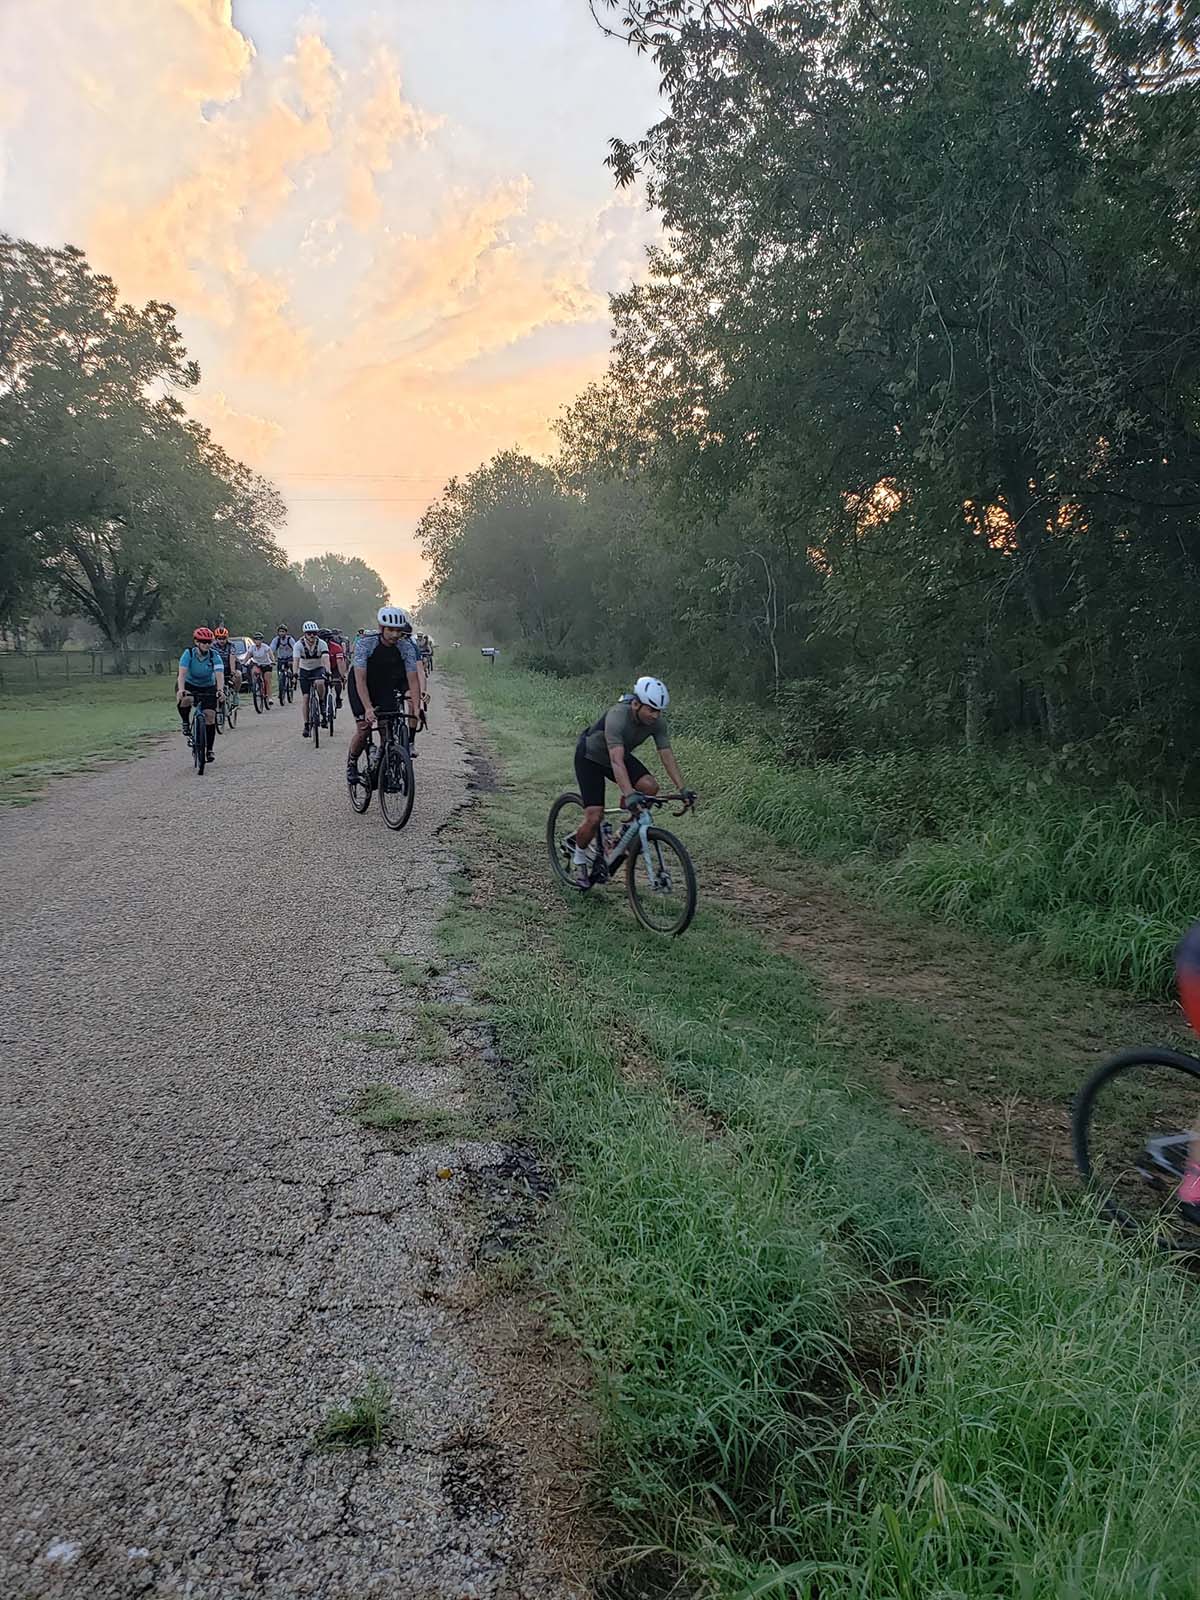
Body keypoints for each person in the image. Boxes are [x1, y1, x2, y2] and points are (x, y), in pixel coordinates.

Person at [570, 676, 691, 889]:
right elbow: (616, 761)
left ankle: (621, 834)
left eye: (659, 711)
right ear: (636, 704)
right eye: (651, 710)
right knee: (594, 816)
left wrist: (683, 789)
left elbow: (667, 755)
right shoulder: (618, 716)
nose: (655, 715)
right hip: (590, 757)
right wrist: (629, 794)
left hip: (617, 756)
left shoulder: (657, 722)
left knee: (650, 787)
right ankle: (579, 858)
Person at [346, 605, 424, 789]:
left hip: (384, 686)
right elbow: (360, 679)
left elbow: (413, 681)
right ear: (382, 628)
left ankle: (383, 766)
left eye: (399, 630)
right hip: (361, 685)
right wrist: (367, 708)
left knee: (386, 729)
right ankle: (352, 763)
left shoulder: (406, 647)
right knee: (364, 728)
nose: (395, 635)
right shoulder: (366, 643)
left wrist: (417, 708)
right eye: (391, 630)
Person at [176, 626, 225, 766]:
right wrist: (181, 689)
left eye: (209, 642)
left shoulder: (214, 655)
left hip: (208, 685)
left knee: (210, 716)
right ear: (197, 642)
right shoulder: (189, 654)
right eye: (203, 642)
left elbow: (219, 674)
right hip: (189, 684)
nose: (206, 644)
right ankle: (185, 722)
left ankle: (209, 749)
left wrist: (220, 690)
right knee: (186, 699)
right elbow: (182, 673)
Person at [294, 621, 331, 737]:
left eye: (314, 633)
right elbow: (296, 661)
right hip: (304, 669)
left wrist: (328, 671)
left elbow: (325, 658)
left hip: (318, 668)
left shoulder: (322, 644)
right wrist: (295, 674)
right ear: (305, 634)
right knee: (305, 698)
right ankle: (306, 724)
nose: (312, 636)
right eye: (309, 633)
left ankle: (321, 701)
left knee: (320, 682)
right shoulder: (298, 645)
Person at [240, 633, 275, 706]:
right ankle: (256, 685)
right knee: (254, 671)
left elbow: (271, 654)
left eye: (259, 639)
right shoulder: (252, 648)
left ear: (262, 640)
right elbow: (248, 656)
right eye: (256, 639)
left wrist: (273, 661)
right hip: (257, 664)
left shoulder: (265, 647)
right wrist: (243, 662)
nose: (257, 641)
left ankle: (270, 697)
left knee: (267, 680)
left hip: (266, 664)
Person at [270, 624, 296, 695]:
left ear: (286, 632)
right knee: (280, 674)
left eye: (283, 631)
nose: (281, 633)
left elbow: (295, 648)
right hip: (280, 658)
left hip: (289, 657)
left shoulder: (290, 639)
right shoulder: (276, 640)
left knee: (291, 666)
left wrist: (294, 658)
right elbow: (271, 649)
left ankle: (293, 678)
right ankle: (281, 689)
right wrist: (270, 657)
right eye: (280, 631)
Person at [327, 631, 347, 707]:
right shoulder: (318, 646)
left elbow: (339, 663)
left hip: (335, 666)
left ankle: (338, 697)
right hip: (323, 667)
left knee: (337, 682)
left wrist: (342, 676)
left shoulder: (336, 647)